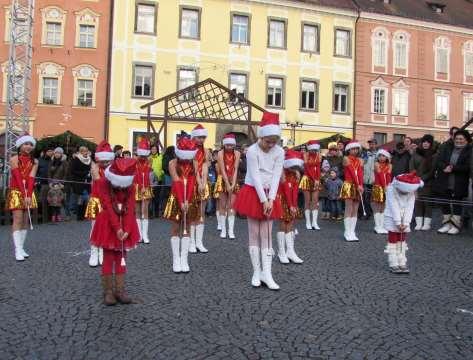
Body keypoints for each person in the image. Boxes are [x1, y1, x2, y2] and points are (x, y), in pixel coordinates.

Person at [234, 112, 284, 290]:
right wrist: (264, 200)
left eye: (274, 142)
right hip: (253, 192)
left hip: (270, 193)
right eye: (267, 141)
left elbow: (277, 175)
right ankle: (256, 271)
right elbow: (255, 176)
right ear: (261, 136)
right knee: (254, 232)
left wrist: (271, 199)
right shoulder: (252, 151)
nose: (271, 145)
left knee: (267, 234)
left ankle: (267, 273)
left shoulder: (279, 152)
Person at [90, 158, 140, 305]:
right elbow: (107, 206)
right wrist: (118, 229)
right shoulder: (104, 183)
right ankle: (108, 291)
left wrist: (127, 229)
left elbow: (130, 208)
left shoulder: (131, 186)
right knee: (108, 257)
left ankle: (120, 290)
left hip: (125, 221)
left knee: (122, 256)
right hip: (108, 223)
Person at [163, 137, 199, 273]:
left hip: (190, 197)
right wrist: (181, 200)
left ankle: (184, 259)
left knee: (187, 226)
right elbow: (177, 181)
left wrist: (188, 200)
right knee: (176, 227)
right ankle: (176, 259)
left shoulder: (194, 163)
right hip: (176, 196)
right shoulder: (172, 163)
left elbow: (192, 182)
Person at [6, 134, 38, 261]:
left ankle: (22, 247)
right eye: (26, 144)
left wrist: (29, 195)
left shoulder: (34, 161)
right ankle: (17, 249)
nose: (28, 147)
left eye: (30, 144)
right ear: (20, 145)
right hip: (16, 191)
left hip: (27, 192)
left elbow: (31, 178)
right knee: (18, 219)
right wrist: (24, 194)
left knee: (25, 220)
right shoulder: (14, 159)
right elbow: (18, 178)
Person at [384, 172, 424, 274]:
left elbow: (410, 207)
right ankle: (393, 262)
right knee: (393, 240)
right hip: (392, 216)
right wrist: (398, 222)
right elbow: (393, 206)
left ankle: (402, 261)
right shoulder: (391, 189)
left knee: (402, 241)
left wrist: (406, 222)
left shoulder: (411, 191)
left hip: (404, 218)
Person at [434, 130, 472, 235]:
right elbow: (439, 161)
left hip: (459, 181)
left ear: (466, 140)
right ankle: (446, 224)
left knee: (456, 203)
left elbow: (468, 166)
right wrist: (444, 167)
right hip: (445, 180)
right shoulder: (447, 148)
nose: (458, 141)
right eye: (457, 139)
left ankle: (455, 225)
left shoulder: (469, 151)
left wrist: (453, 168)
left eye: (461, 139)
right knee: (444, 202)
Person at [85, 141, 115, 267]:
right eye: (102, 161)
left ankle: (103, 250)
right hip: (97, 200)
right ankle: (94, 251)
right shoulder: (95, 167)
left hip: (109, 200)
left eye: (107, 161)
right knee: (94, 226)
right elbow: (99, 184)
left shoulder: (113, 169)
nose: (104, 163)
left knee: (106, 227)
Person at [277, 150, 304, 264]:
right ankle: (281, 252)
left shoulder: (296, 173)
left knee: (291, 224)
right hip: (282, 199)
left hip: (291, 201)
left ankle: (290, 251)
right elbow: (286, 190)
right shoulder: (282, 172)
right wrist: (290, 205)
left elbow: (295, 190)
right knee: (283, 224)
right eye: (293, 166)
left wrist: (294, 205)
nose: (295, 168)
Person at [214, 133, 240, 239]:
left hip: (233, 179)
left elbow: (235, 168)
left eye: (231, 145)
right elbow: (223, 169)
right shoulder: (220, 153)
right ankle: (223, 230)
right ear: (224, 144)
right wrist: (227, 183)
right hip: (222, 179)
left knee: (231, 205)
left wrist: (233, 183)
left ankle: (231, 230)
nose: (229, 147)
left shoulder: (237, 153)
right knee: (222, 205)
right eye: (227, 145)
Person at [189, 124, 211, 253]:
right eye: (199, 137)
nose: (201, 140)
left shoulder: (206, 151)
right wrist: (199, 183)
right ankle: (191, 242)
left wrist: (203, 183)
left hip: (203, 182)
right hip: (192, 183)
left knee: (201, 213)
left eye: (203, 137)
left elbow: (205, 167)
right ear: (194, 137)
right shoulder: (190, 151)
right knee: (193, 213)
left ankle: (199, 242)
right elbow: (194, 169)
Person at [409, 134, 436, 231]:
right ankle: (419, 223)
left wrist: (422, 179)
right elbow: (411, 166)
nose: (425, 144)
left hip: (428, 183)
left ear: (431, 144)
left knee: (427, 203)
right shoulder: (416, 153)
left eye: (428, 142)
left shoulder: (434, 154)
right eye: (424, 141)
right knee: (417, 202)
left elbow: (432, 170)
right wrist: (414, 178)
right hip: (416, 182)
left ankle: (427, 224)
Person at [340, 141, 364, 242]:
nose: (355, 150)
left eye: (356, 148)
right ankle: (347, 231)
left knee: (355, 208)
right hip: (349, 184)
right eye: (353, 149)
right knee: (348, 208)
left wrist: (361, 185)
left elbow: (360, 174)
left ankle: (352, 231)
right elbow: (351, 172)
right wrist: (358, 184)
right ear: (348, 150)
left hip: (358, 186)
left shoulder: (360, 160)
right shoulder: (346, 158)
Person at [299, 140, 322, 230]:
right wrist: (314, 179)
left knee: (315, 201)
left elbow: (319, 168)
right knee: (307, 201)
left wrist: (318, 179)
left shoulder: (319, 155)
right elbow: (307, 168)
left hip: (316, 179)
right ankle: (308, 222)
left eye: (315, 150)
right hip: (307, 179)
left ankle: (314, 222)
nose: (314, 151)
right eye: (312, 150)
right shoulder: (305, 155)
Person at [134, 138, 153, 243]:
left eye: (144, 155)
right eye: (141, 155)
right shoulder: (134, 161)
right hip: (136, 187)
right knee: (137, 211)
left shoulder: (149, 161)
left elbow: (147, 174)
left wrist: (145, 186)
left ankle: (145, 235)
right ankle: (139, 235)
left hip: (146, 186)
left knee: (145, 211)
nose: (143, 157)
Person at [371, 149, 392, 234]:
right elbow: (380, 175)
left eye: (383, 156)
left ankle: (382, 225)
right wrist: (384, 186)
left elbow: (388, 176)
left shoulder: (390, 165)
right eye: (379, 155)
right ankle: (377, 226)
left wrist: (388, 186)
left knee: (384, 207)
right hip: (378, 187)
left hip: (386, 187)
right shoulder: (376, 164)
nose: (381, 157)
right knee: (377, 206)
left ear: (387, 157)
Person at [69, 146, 92, 221]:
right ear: (81, 152)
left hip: (87, 181)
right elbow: (72, 171)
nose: (86, 152)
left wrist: (90, 173)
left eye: (86, 151)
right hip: (79, 180)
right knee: (80, 198)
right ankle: (79, 216)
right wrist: (84, 173)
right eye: (84, 151)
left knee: (87, 198)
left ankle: (85, 215)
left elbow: (91, 168)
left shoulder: (89, 159)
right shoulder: (76, 159)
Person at [47, 147, 67, 222]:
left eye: (59, 153)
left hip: (60, 184)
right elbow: (48, 173)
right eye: (56, 153)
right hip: (52, 184)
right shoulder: (51, 162)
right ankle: (52, 216)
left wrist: (62, 183)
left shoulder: (64, 162)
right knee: (52, 200)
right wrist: (49, 182)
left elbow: (66, 173)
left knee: (60, 200)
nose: (57, 154)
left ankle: (60, 215)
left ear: (61, 154)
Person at [362, 139, 378, 220]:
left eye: (373, 144)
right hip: (366, 178)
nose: (371, 145)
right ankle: (367, 213)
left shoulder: (379, 154)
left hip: (375, 179)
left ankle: (376, 213)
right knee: (366, 197)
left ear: (376, 144)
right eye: (370, 144)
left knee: (374, 198)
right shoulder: (365, 154)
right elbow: (362, 164)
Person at [37, 148, 54, 223]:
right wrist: (37, 181)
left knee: (51, 201)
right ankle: (44, 218)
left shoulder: (53, 161)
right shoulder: (39, 160)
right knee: (42, 201)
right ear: (45, 152)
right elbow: (36, 171)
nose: (50, 152)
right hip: (42, 183)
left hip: (52, 184)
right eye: (49, 151)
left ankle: (50, 217)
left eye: (51, 151)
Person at [149, 144, 164, 217]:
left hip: (158, 180)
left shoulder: (161, 157)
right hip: (150, 180)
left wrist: (160, 174)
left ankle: (157, 213)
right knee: (149, 197)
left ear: (157, 150)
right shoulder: (149, 158)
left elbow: (163, 168)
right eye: (152, 149)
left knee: (157, 197)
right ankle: (150, 213)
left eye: (155, 149)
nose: (153, 150)